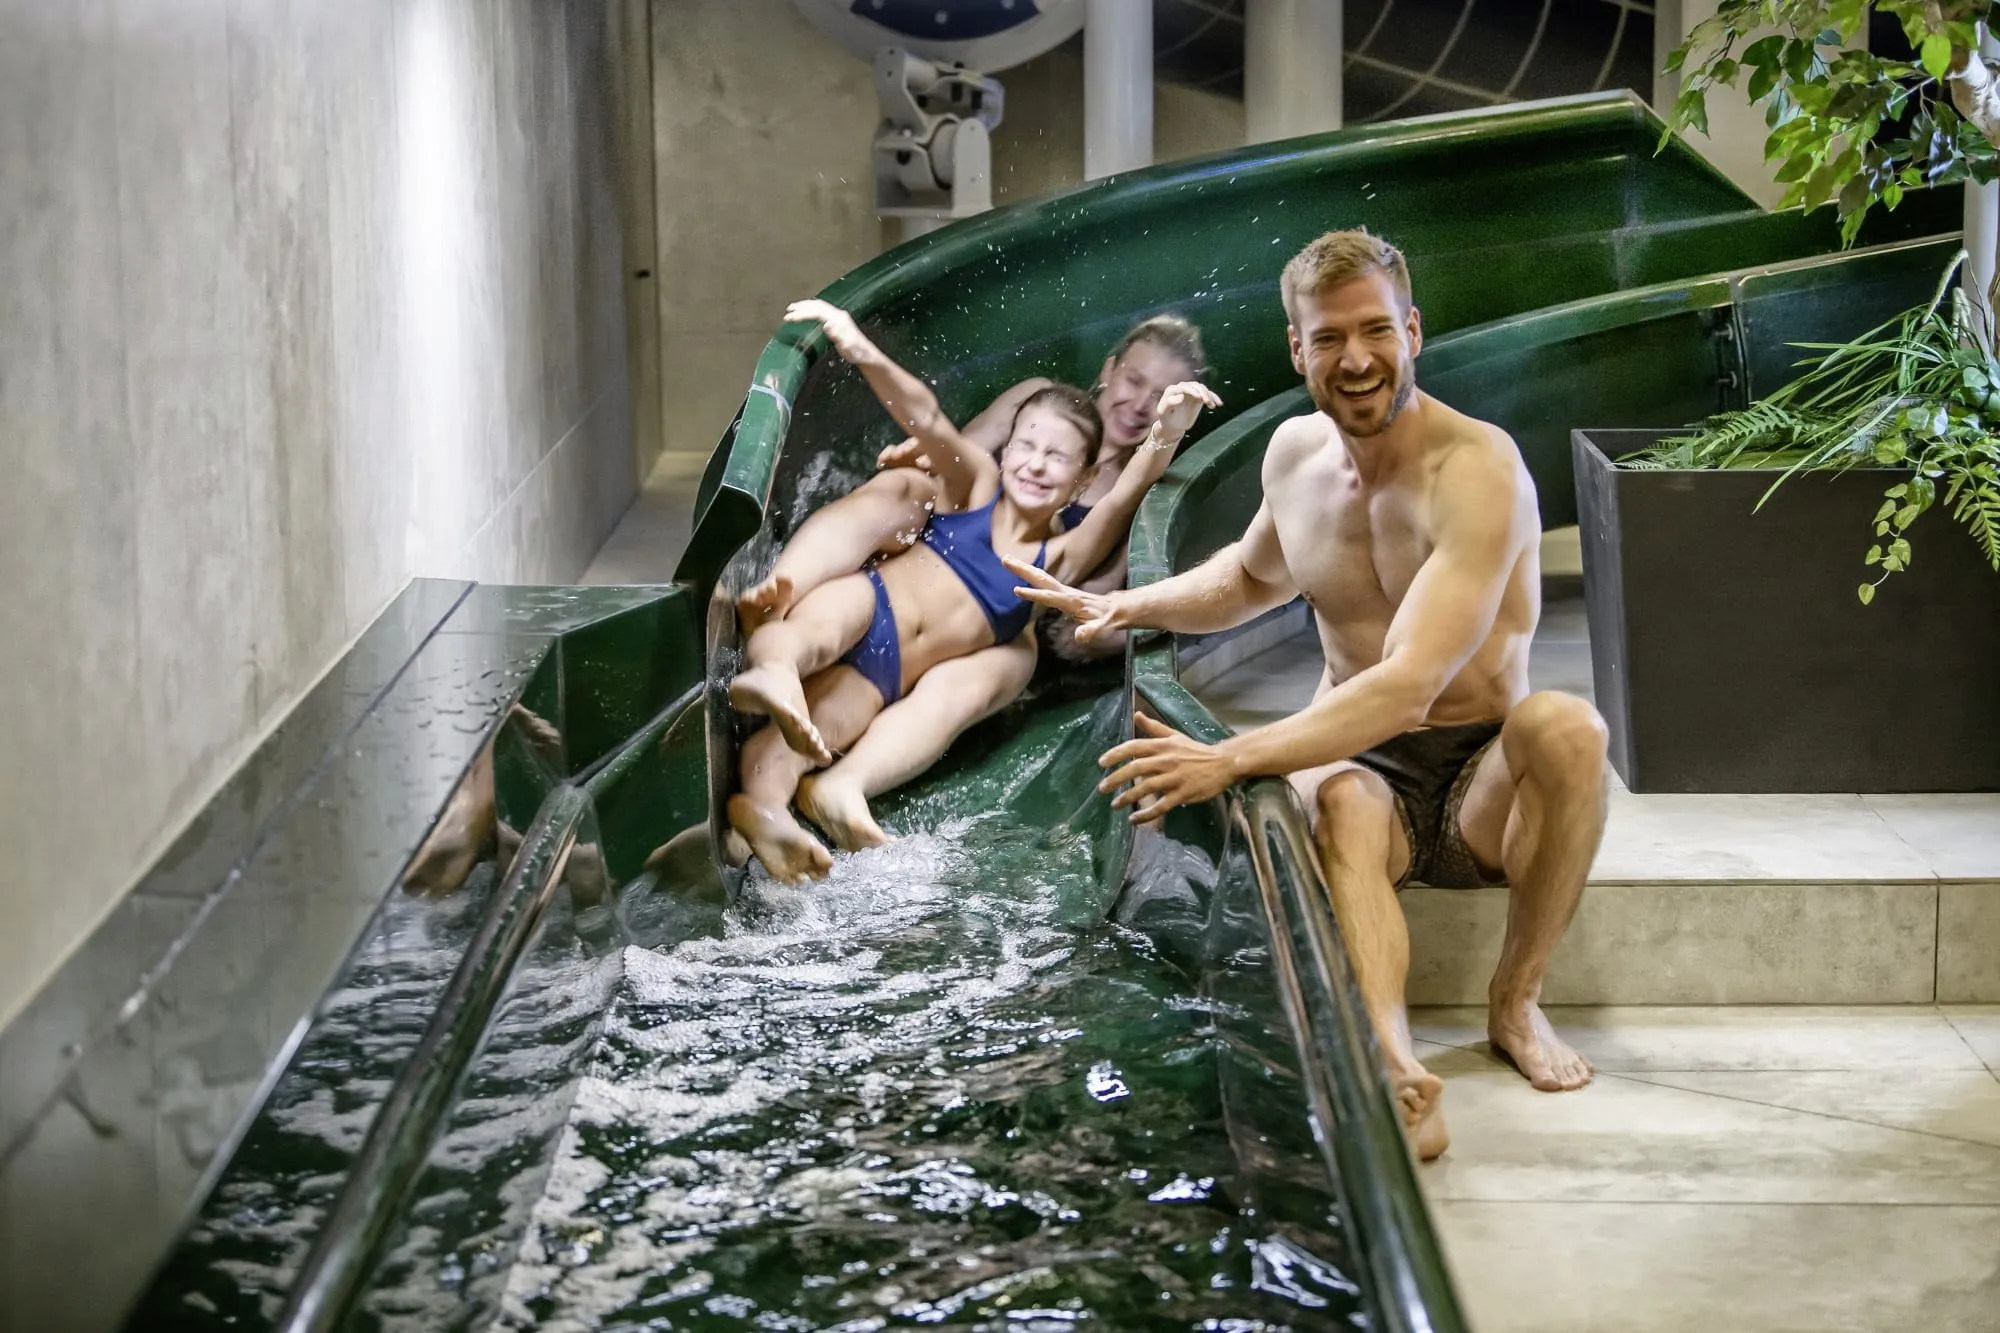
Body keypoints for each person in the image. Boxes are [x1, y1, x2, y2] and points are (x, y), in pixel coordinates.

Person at [1009, 229, 1607, 1162]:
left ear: (1413, 330)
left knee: (1569, 725)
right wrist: (1120, 601)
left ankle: (1516, 1005)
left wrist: (1229, 757)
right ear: (1298, 350)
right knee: (1340, 794)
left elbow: (1410, 686)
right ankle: (1389, 1060)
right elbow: (1248, 579)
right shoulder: (1292, 455)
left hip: (1486, 778)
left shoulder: (1478, 472)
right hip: (1367, 779)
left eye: (1376, 330)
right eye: (1328, 338)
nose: (1356, 357)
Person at [727, 298, 1220, 883]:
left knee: (813, 735)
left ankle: (763, 811)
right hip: (872, 606)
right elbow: (927, 419)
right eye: (1028, 449)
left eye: (1057, 459)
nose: (1037, 466)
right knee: (813, 630)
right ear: (1005, 450)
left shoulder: (1062, 555)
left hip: (886, 679)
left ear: (1082, 480)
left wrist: (1171, 428)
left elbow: (1126, 493)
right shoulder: (976, 488)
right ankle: (774, 669)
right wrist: (859, 348)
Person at [735, 313, 1208, 668]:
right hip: (949, 537)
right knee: (905, 486)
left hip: (997, 604)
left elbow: (1094, 595)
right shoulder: (1038, 398)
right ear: (1110, 370)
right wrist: (919, 456)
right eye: (1134, 381)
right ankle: (782, 591)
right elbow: (960, 456)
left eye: (1161, 396)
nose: (1141, 405)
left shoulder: (1137, 491)